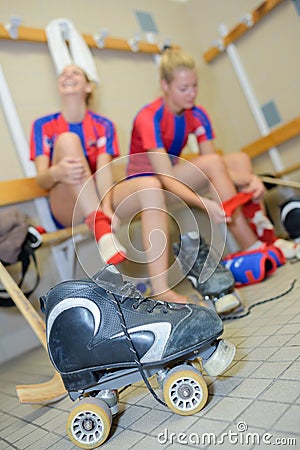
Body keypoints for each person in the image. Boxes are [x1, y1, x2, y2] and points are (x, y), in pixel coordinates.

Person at [111, 48, 298, 303]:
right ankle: (252, 246)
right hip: (141, 185)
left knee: (239, 161)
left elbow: (216, 165)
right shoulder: (149, 117)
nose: (192, 93)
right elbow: (165, 178)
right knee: (162, 181)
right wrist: (205, 204)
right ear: (165, 85)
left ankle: (264, 237)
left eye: (195, 86)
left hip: (166, 179)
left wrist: (248, 180)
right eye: (184, 88)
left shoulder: (196, 114)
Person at [30, 64, 127, 265]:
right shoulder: (43, 125)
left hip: (96, 200)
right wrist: (57, 172)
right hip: (66, 206)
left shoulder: (104, 125)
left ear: (89, 86)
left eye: (75, 72)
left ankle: (163, 287)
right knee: (67, 140)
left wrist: (107, 207)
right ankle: (101, 227)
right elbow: (42, 180)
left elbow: (103, 170)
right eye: (63, 74)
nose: (68, 75)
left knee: (148, 187)